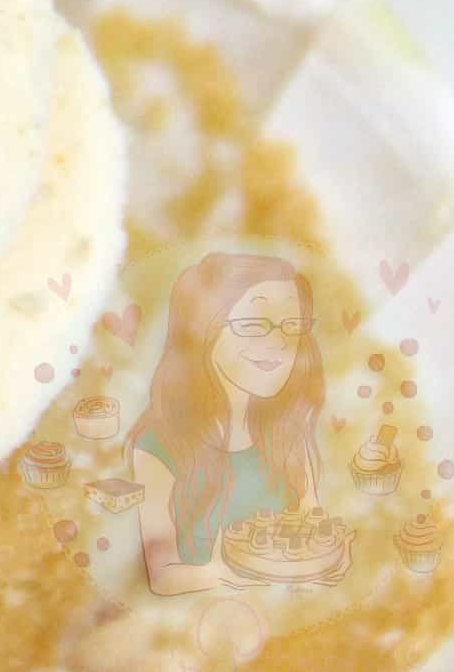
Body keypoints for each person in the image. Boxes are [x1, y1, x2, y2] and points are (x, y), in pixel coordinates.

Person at [131, 252, 327, 597]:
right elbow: (163, 573)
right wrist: (232, 576)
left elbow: (314, 538)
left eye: (292, 327)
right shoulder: (158, 446)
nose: (279, 344)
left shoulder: (288, 435)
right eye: (253, 326)